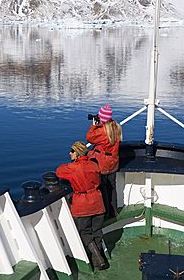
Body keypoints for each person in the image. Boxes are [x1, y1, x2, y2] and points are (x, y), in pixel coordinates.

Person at [56, 141, 108, 271]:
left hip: (83, 204)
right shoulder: (93, 165)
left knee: (84, 232)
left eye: (72, 151)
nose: (69, 153)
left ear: (77, 153)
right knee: (97, 231)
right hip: (97, 201)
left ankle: (97, 257)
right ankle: (98, 259)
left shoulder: (73, 168)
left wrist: (71, 164)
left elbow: (59, 171)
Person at [86, 104, 122, 218]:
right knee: (112, 186)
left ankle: (106, 213)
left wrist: (93, 126)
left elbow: (89, 138)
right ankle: (114, 211)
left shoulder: (102, 131)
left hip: (103, 164)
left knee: (103, 187)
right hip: (113, 163)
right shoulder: (117, 127)